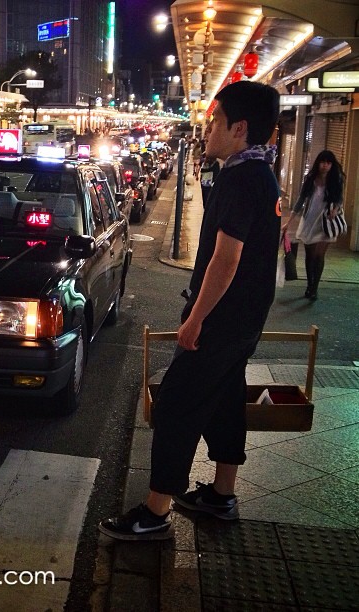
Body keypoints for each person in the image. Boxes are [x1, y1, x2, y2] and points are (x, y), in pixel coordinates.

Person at [98, 80, 281, 541]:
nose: (207, 129)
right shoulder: (263, 173)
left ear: (239, 128)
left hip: (221, 318)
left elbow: (227, 257)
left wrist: (196, 317)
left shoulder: (240, 178)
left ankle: (155, 512)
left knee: (177, 402)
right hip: (246, 316)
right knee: (224, 398)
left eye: (215, 121)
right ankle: (221, 494)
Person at [281, 150, 345, 300]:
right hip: (310, 220)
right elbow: (300, 200)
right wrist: (289, 222)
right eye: (323, 162)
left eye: (328, 163)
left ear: (332, 164)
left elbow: (339, 199)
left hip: (326, 222)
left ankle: (314, 288)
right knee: (310, 255)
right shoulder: (310, 178)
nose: (325, 165)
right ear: (318, 163)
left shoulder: (336, 179)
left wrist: (335, 209)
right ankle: (309, 285)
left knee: (319, 255)